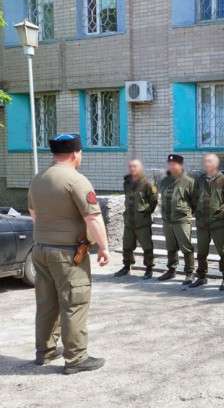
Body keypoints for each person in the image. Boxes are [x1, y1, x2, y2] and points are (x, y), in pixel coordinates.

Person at [28, 133, 110, 374]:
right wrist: (104, 247)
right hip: (67, 254)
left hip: (40, 249)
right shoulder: (76, 181)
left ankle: (45, 351)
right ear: (76, 153)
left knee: (46, 303)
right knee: (75, 302)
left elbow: (33, 213)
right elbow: (93, 217)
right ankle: (76, 358)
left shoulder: (37, 179)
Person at [191, 153, 224, 289]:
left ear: (216, 164)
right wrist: (196, 211)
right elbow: (194, 197)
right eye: (205, 161)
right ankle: (202, 277)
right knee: (201, 252)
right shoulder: (199, 180)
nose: (206, 164)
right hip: (202, 223)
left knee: (223, 251)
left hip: (218, 223)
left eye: (209, 161)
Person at [157, 154, 197, 284]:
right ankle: (171, 270)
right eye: (170, 164)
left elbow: (194, 201)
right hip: (167, 219)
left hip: (181, 219)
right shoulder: (164, 181)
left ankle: (190, 272)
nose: (171, 166)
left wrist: (187, 213)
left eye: (174, 164)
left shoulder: (189, 181)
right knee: (170, 246)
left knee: (186, 246)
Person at [115, 159, 158, 279]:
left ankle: (149, 268)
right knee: (127, 245)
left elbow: (153, 201)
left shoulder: (148, 183)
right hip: (129, 221)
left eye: (135, 166)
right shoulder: (127, 183)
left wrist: (145, 212)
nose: (132, 169)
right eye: (131, 166)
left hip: (142, 221)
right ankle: (126, 266)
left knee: (147, 246)